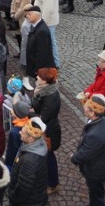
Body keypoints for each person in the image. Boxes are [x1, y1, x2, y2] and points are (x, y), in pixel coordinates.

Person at [70, 94, 105, 206]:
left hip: (96, 171)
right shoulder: (104, 120)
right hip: (102, 165)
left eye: (87, 106)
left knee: (96, 196)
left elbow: (85, 153)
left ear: (92, 113)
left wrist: (74, 158)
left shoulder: (95, 135)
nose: (84, 106)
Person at [30, 67, 61, 195]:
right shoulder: (43, 91)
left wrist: (28, 113)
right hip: (44, 128)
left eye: (39, 77)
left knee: (49, 156)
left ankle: (53, 184)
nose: (36, 78)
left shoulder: (51, 97)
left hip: (48, 132)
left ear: (45, 81)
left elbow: (44, 118)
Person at [6, 117, 49, 206]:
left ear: (30, 139)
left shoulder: (30, 161)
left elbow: (23, 189)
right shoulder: (36, 145)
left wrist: (12, 197)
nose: (20, 132)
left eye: (23, 132)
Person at [33, 0, 60, 68]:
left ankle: (55, 63)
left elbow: (48, 9)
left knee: (51, 42)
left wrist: (41, 23)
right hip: (45, 21)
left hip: (47, 22)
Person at [23, 6, 54, 82]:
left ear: (37, 15)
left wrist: (37, 70)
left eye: (29, 14)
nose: (27, 16)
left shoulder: (41, 31)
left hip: (41, 70)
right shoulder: (36, 26)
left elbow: (42, 54)